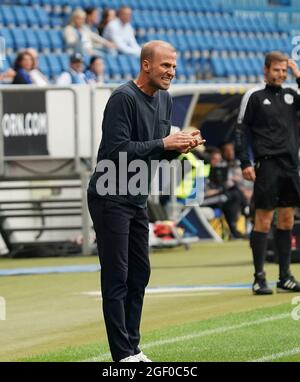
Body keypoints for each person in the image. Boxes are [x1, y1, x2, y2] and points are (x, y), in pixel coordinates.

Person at [87, 40, 204, 362]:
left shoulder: (165, 100)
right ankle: (122, 354)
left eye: (174, 66)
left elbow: (155, 152)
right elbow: (117, 151)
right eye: (166, 65)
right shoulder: (122, 98)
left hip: (136, 198)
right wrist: (165, 142)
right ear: (146, 65)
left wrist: (178, 148)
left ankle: (133, 348)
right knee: (117, 276)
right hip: (109, 196)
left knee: (139, 274)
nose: (171, 72)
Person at [236, 51, 300, 295]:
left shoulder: (291, 95)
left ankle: (285, 276)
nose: (281, 74)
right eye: (277, 70)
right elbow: (241, 130)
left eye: (284, 70)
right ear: (266, 70)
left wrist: (298, 75)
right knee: (263, 220)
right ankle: (259, 277)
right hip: (267, 166)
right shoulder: (254, 95)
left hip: (290, 167)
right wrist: (245, 162)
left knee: (286, 220)